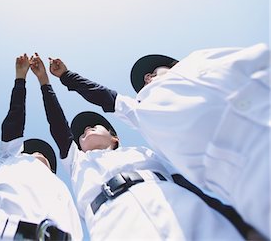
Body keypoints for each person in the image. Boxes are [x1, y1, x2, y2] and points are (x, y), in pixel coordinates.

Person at [48, 43, 270, 238]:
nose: (148, 77)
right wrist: (59, 78)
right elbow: (96, 99)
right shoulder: (141, 112)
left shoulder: (147, 149)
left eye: (155, 70)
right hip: (113, 221)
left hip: (179, 206)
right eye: (146, 79)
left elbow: (186, 184)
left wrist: (240, 226)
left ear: (115, 137)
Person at [0, 54, 83, 241]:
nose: (36, 153)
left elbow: (58, 124)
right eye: (30, 152)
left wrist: (45, 81)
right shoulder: (10, 158)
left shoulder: (62, 184)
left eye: (44, 155)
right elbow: (15, 117)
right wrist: (21, 78)